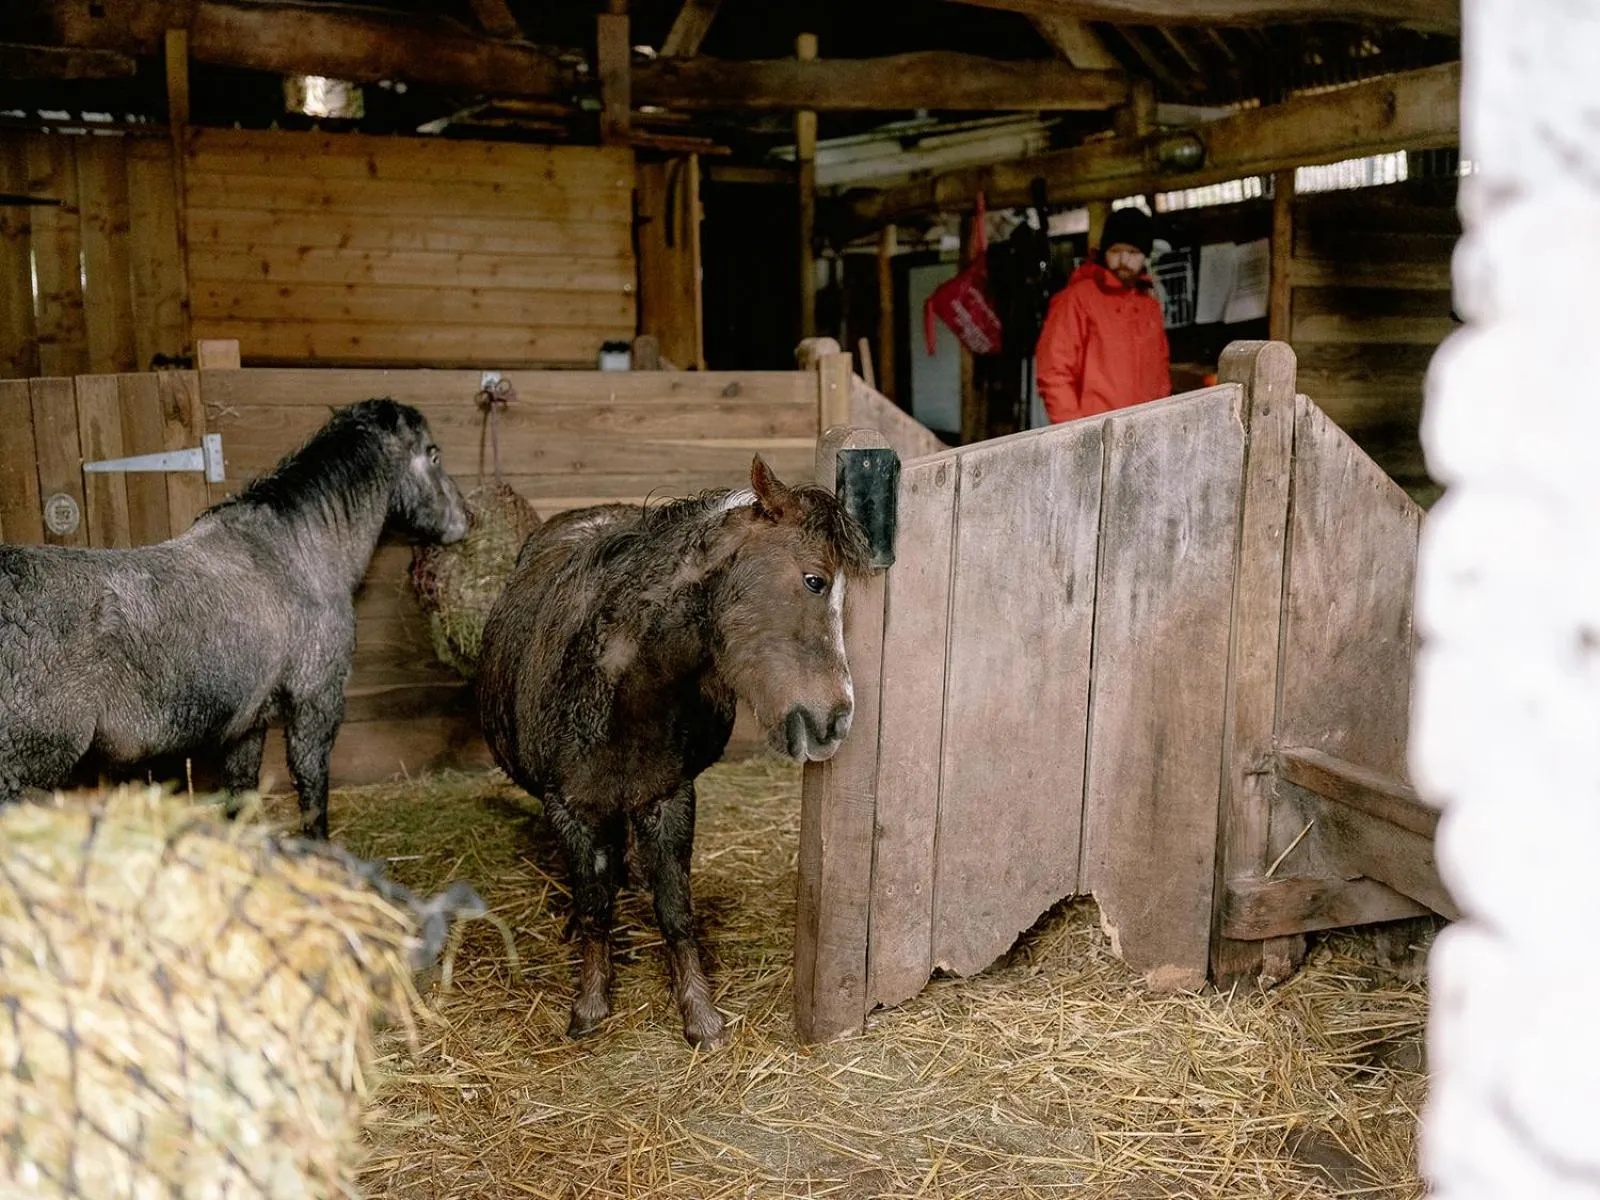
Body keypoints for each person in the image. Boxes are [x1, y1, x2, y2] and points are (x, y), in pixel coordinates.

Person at [1035, 206, 1172, 424]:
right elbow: (1054, 372)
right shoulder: (1077, 298)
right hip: (1094, 436)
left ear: (1145, 255)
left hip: (1144, 433)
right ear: (1103, 251)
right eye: (1116, 251)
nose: (1124, 260)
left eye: (1133, 252)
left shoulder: (1149, 306)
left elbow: (1160, 375)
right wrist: (1076, 435)